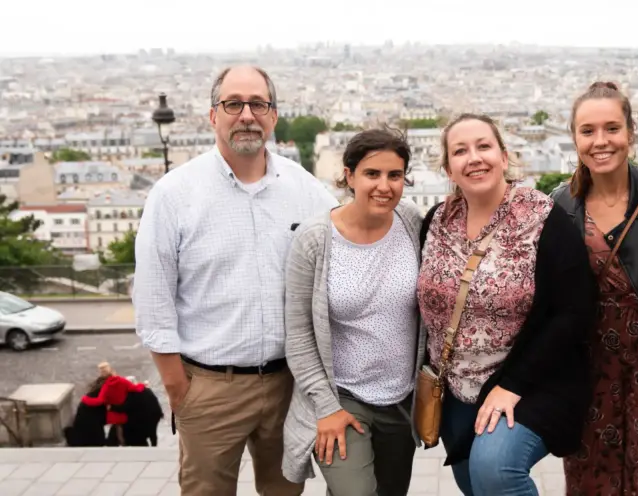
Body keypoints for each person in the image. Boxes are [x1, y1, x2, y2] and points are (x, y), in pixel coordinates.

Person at [133, 65, 338, 496]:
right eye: (233, 104)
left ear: (274, 115)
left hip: (288, 384)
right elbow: (153, 300)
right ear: (213, 116)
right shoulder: (174, 195)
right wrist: (178, 388)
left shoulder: (308, 192)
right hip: (209, 386)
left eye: (258, 104)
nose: (247, 114)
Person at [417, 113, 597, 495]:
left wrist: (513, 385)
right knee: (476, 486)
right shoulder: (437, 220)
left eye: (484, 146)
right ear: (447, 167)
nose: (474, 158)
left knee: (495, 470)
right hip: (454, 388)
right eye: (460, 150)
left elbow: (575, 310)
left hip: (528, 381)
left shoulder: (543, 218)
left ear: (504, 155)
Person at [552, 82, 638, 495]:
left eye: (612, 128)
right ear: (574, 138)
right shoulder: (560, 205)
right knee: (591, 484)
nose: (600, 141)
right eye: (588, 131)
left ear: (631, 132)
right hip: (589, 371)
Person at [283, 128, 426, 495]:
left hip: (401, 399)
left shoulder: (410, 221)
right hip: (343, 396)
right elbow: (298, 335)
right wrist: (326, 407)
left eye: (395, 175)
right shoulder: (316, 239)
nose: (384, 186)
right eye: (372, 174)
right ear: (348, 176)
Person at [78, 362, 146, 446]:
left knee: (117, 428)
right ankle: (124, 443)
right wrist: (143, 384)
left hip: (113, 411)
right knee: (121, 428)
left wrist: (85, 399)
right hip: (122, 409)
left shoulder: (106, 386)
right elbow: (135, 388)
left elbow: (99, 401)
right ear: (112, 371)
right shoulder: (123, 381)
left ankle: (120, 443)